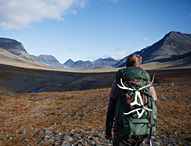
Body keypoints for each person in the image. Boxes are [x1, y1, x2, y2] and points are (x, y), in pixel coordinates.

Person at [105, 54, 158, 146]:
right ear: (140, 66)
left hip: (123, 129)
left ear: (126, 65)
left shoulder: (119, 81)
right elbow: (154, 105)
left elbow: (111, 107)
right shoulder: (146, 82)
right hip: (143, 128)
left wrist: (108, 131)